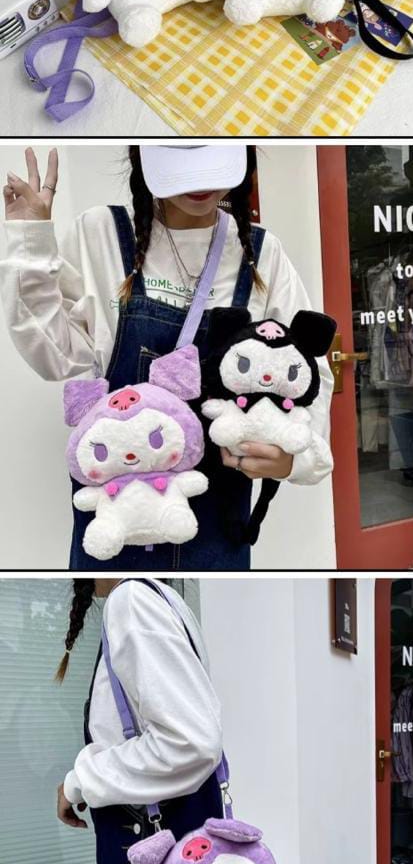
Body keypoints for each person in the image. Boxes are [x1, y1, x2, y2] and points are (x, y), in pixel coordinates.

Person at [1, 142, 333, 571]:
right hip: (115, 512)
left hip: (218, 513)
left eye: (212, 165)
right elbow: (54, 356)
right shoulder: (101, 234)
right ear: (139, 156)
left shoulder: (261, 253)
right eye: (183, 168)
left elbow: (308, 370)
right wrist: (30, 243)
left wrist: (294, 459)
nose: (201, 185)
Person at [56, 575, 238, 864]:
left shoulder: (132, 601)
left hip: (147, 853)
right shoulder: (162, 598)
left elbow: (190, 742)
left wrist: (79, 782)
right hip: (179, 848)